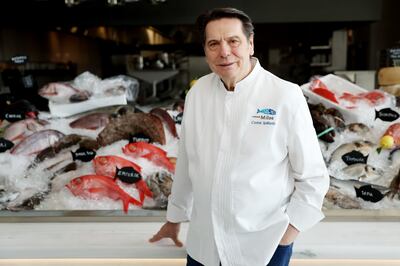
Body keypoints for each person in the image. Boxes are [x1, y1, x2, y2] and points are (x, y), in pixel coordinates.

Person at [149, 7, 329, 266]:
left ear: (250, 44)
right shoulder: (197, 93)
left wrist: (287, 236)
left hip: (263, 247)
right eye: (214, 44)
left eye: (233, 41)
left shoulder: (284, 95)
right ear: (205, 50)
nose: (224, 52)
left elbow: (313, 177)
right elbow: (188, 163)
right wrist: (174, 218)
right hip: (204, 246)